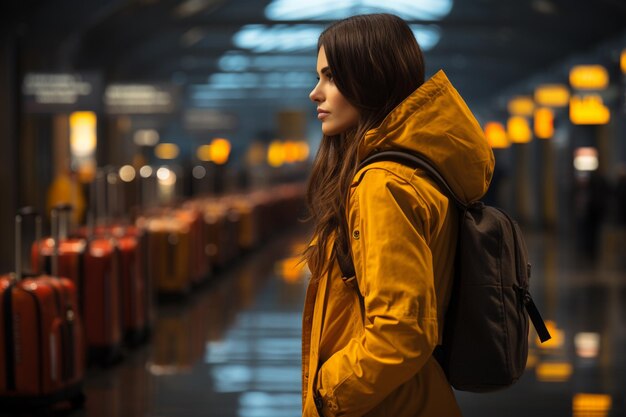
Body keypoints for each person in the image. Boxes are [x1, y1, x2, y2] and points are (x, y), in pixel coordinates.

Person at [302, 13, 494, 417]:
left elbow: (402, 330)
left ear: (371, 78)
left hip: (385, 405)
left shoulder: (383, 183)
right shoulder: (418, 170)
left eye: (331, 77)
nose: (315, 93)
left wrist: (327, 392)